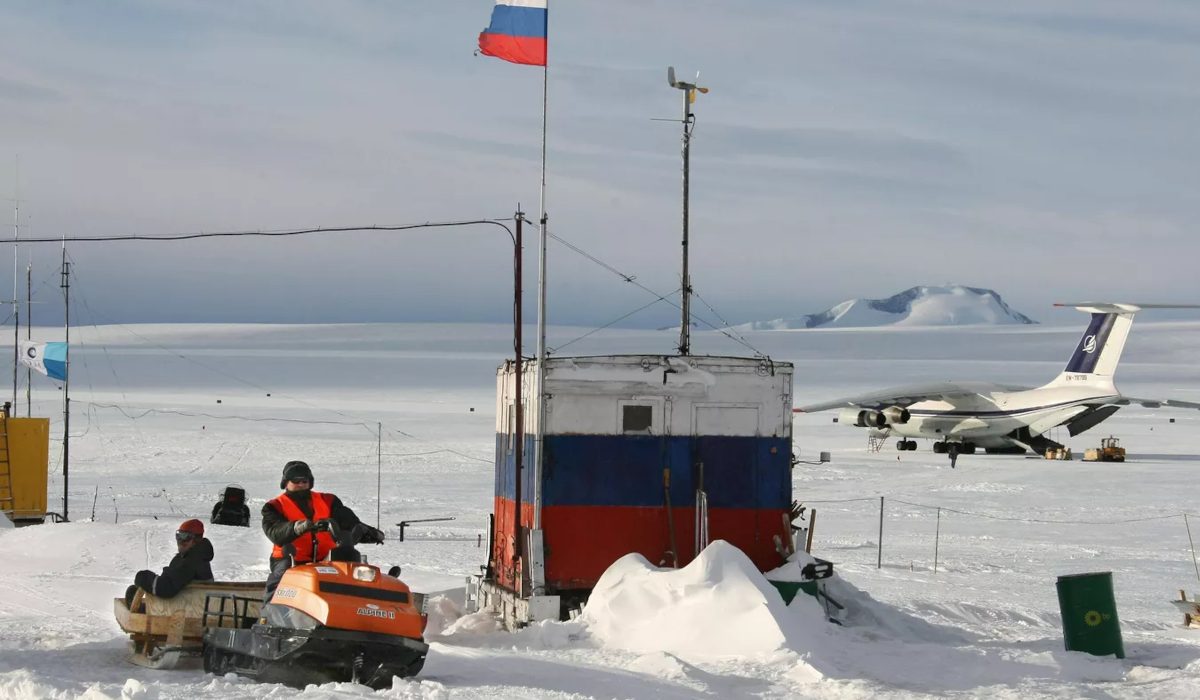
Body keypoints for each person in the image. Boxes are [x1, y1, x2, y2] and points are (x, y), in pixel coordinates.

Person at [261, 460, 384, 602]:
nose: (301, 484)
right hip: (290, 559)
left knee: (354, 579)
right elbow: (275, 532)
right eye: (296, 481)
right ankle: (268, 614)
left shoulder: (328, 500)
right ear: (286, 482)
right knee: (280, 582)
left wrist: (367, 532)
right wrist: (298, 527)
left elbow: (347, 521)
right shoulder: (274, 506)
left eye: (304, 480)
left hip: (327, 559)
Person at [124, 518, 215, 608]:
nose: (180, 541)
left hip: (189, 612)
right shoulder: (189, 557)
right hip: (190, 608)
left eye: (185, 537)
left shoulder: (193, 561)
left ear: (196, 540)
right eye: (178, 536)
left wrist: (143, 578)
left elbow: (167, 588)